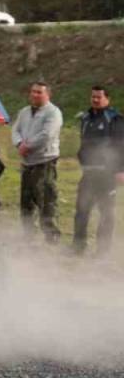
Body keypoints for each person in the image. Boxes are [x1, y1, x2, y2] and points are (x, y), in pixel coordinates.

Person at [72, 86, 124, 256]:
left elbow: (121, 146)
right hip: (89, 173)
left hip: (107, 174)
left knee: (106, 212)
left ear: (107, 99)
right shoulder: (86, 118)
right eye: (93, 96)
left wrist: (121, 170)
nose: (95, 100)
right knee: (82, 209)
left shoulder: (115, 119)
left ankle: (103, 251)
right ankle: (78, 247)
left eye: (99, 97)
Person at [11, 81, 64, 243]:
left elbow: (47, 135)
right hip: (27, 162)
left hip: (44, 162)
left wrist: (28, 146)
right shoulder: (25, 112)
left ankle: (51, 237)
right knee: (26, 201)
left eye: (39, 92)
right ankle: (29, 236)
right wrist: (19, 144)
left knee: (46, 199)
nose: (35, 95)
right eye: (33, 91)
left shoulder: (53, 113)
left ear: (47, 95)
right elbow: (15, 129)